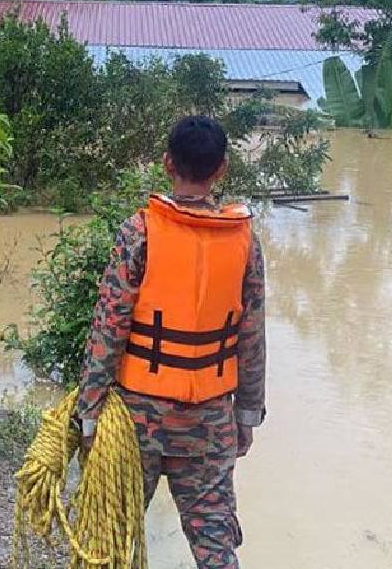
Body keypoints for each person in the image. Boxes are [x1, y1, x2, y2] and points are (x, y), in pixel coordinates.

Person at [75, 116, 267, 569]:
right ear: (221, 169)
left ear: (166, 163)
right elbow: (252, 336)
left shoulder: (139, 232)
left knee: (111, 541)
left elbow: (109, 326)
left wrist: (88, 410)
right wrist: (247, 414)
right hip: (212, 421)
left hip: (137, 419)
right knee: (216, 546)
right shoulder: (244, 241)